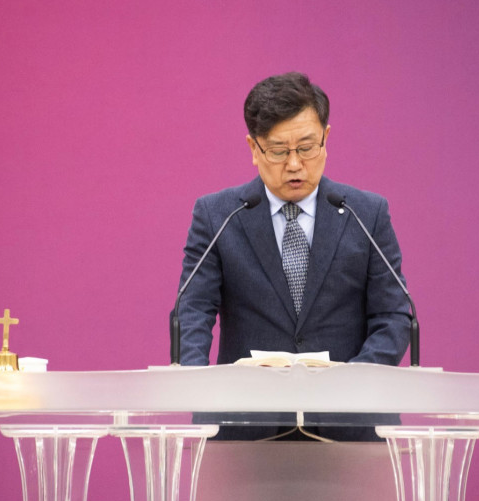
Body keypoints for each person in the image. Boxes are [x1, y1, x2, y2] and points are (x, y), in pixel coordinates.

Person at [176, 72, 411, 440]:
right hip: (246, 425)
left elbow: (393, 315)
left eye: (307, 147)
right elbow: (193, 310)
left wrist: (352, 384)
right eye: (278, 151)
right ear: (254, 148)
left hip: (350, 425)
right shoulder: (218, 216)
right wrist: (197, 384)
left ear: (326, 138)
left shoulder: (367, 214)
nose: (295, 164)